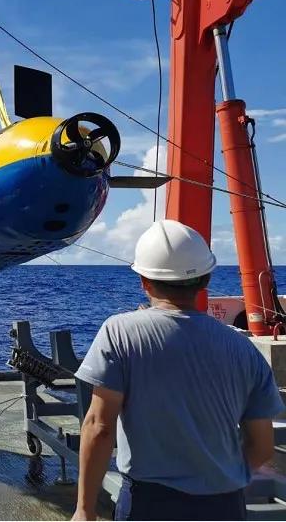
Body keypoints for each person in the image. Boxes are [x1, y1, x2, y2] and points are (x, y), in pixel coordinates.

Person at [73, 220, 284, 521]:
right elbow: (262, 447)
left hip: (148, 504)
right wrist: (221, 477)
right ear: (205, 279)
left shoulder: (119, 333)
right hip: (224, 505)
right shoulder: (243, 348)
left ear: (144, 281)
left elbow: (99, 427)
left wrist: (84, 510)